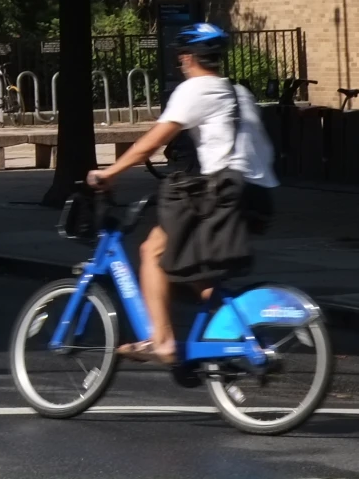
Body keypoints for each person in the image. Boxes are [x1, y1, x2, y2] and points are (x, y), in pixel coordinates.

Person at [86, 21, 277, 362]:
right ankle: (241, 334)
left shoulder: (194, 89)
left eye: (181, 58)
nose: (181, 64)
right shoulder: (239, 92)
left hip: (223, 191)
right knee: (192, 266)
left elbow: (153, 142)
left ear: (188, 58)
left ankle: (162, 341)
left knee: (153, 251)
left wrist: (110, 173)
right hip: (257, 193)